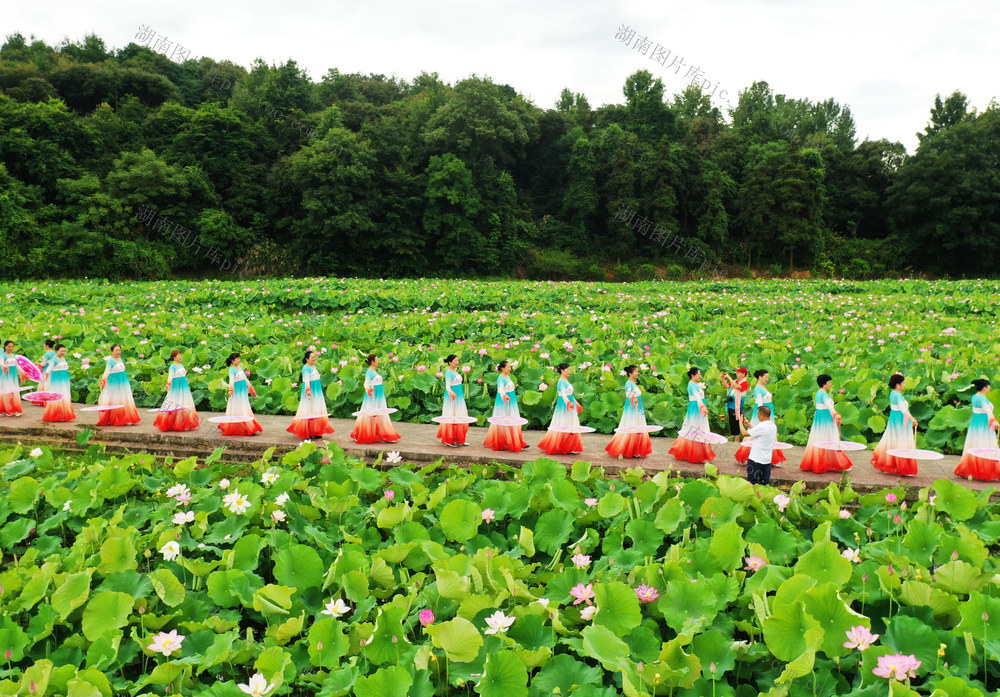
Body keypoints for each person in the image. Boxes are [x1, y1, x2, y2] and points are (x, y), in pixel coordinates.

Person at [799, 373, 852, 473]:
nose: (831, 384)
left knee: (820, 438)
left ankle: (818, 463)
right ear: (824, 383)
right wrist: (836, 414)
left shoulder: (818, 393)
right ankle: (839, 464)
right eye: (829, 382)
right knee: (831, 438)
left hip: (820, 417)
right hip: (826, 418)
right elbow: (829, 406)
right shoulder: (823, 394)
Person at [734, 369, 786, 468]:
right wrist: (762, 415)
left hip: (767, 413)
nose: (767, 379)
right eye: (766, 377)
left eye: (768, 377)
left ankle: (772, 459)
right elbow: (759, 403)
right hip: (762, 414)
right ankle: (744, 457)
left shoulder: (763, 387)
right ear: (760, 377)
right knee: (753, 434)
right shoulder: (758, 389)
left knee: (769, 434)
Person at [871, 373, 919, 476]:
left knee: (892, 440)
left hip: (894, 418)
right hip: (899, 420)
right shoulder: (897, 395)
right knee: (901, 442)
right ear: (898, 385)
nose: (904, 385)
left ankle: (888, 464)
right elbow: (903, 409)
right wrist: (912, 418)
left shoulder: (893, 393)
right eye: (903, 383)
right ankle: (902, 467)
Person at [668, 367, 717, 464]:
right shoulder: (691, 386)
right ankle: (696, 455)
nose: (700, 376)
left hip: (698, 408)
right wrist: (702, 407)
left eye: (700, 374)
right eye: (698, 374)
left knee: (696, 429)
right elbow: (698, 398)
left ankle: (696, 453)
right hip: (696, 409)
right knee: (696, 429)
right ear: (692, 375)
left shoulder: (694, 384)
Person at [954, 379, 1000, 480]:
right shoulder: (981, 399)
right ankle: (983, 471)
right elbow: (987, 411)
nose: (990, 388)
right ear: (984, 387)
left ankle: (972, 470)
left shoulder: (975, 397)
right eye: (988, 386)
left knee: (975, 445)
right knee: (985, 445)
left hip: (976, 423)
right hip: (983, 424)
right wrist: (993, 420)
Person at [350, 353, 401, 444]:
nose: (378, 361)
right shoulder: (369, 372)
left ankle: (383, 434)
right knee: (370, 413)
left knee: (381, 413)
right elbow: (366, 383)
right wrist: (369, 388)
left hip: (380, 395)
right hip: (373, 395)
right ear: (373, 362)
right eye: (377, 360)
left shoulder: (375, 371)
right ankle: (365, 434)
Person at [605, 364, 653, 458]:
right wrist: (634, 398)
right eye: (636, 372)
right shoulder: (628, 383)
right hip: (632, 408)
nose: (637, 373)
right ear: (630, 373)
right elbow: (628, 395)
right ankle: (629, 449)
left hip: (637, 407)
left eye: (637, 371)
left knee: (638, 426)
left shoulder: (633, 383)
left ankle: (636, 449)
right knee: (632, 425)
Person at [537, 363, 584, 455]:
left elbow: (570, 394)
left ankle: (570, 446)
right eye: (567, 370)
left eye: (569, 370)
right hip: (564, 405)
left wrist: (576, 403)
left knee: (571, 424)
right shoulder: (561, 382)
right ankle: (562, 446)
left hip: (570, 404)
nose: (569, 372)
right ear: (562, 371)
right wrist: (568, 403)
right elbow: (563, 395)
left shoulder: (566, 381)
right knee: (564, 423)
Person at [287, 350, 335, 440]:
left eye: (314, 357)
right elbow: (306, 380)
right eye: (312, 357)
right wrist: (308, 390)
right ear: (307, 359)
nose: (314, 358)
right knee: (308, 409)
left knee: (316, 409)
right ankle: (307, 431)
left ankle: (316, 431)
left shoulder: (314, 367)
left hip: (317, 391)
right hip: (310, 390)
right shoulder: (306, 368)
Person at [483, 360, 528, 452]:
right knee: (504, 420)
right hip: (504, 401)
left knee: (513, 419)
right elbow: (500, 390)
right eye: (508, 367)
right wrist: (504, 395)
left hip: (511, 400)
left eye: (510, 367)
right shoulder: (501, 378)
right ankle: (504, 442)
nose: (510, 369)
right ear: (503, 369)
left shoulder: (508, 377)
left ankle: (517, 441)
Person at [154, 349, 200, 431]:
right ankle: (174, 423)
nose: (180, 357)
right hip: (176, 386)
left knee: (184, 402)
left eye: (180, 355)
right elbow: (170, 377)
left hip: (184, 385)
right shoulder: (172, 366)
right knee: (175, 402)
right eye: (178, 355)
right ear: (174, 357)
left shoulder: (182, 365)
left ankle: (186, 423)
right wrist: (168, 385)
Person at [96, 344, 142, 426]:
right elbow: (107, 371)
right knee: (115, 399)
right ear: (112, 351)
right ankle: (115, 418)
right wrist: (103, 381)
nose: (118, 352)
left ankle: (126, 418)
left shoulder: (121, 359)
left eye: (119, 350)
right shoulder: (110, 361)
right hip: (114, 382)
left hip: (123, 381)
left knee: (125, 399)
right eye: (116, 350)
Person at [220, 352, 263, 436]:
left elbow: (246, 380)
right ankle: (243, 427)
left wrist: (251, 390)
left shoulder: (241, 369)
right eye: (237, 359)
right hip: (237, 391)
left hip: (243, 390)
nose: (239, 360)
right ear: (233, 360)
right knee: (237, 406)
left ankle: (247, 425)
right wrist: (231, 390)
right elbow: (231, 381)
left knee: (244, 405)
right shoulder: (231, 370)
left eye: (239, 359)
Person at [437, 354, 470, 447]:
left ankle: (460, 439)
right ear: (450, 362)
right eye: (455, 360)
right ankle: (449, 439)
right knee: (451, 416)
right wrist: (452, 393)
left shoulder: (456, 372)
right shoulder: (448, 372)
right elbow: (447, 386)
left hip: (459, 396)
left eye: (457, 360)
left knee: (460, 415)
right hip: (452, 397)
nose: (457, 362)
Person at [739, 406, 777, 485]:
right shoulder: (773, 426)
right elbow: (759, 433)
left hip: (755, 461)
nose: (758, 416)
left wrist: (740, 423)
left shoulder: (761, 426)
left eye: (758, 414)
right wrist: (749, 425)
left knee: (752, 484)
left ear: (762, 416)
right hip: (767, 461)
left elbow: (744, 434)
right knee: (764, 485)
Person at [42, 344, 75, 422]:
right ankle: (56, 415)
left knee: (65, 395)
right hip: (57, 380)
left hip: (65, 379)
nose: (63, 352)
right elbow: (49, 369)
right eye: (61, 351)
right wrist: (45, 375)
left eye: (64, 351)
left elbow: (66, 369)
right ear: (57, 350)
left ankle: (64, 414)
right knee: (57, 395)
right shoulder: (54, 359)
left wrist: (68, 380)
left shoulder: (64, 358)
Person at [721, 367, 749, 443]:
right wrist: (723, 378)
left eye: (738, 372)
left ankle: (738, 441)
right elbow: (726, 386)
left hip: (738, 407)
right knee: (732, 424)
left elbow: (737, 387)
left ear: (743, 374)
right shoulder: (735, 381)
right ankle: (736, 440)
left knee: (737, 424)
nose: (736, 374)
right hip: (731, 405)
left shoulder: (745, 383)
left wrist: (729, 377)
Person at [0, 340, 25, 416]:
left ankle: (16, 409)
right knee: (7, 392)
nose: (11, 348)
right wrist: (4, 366)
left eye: (12, 347)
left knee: (14, 392)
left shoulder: (14, 355)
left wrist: (22, 372)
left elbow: (17, 365)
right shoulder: (3, 355)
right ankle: (8, 410)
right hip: (6, 376)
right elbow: (1, 362)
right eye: (9, 347)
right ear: (5, 347)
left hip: (13, 375)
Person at [31, 339, 56, 406]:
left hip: (46, 371)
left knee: (45, 385)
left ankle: (44, 400)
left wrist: (38, 364)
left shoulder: (46, 354)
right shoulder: (55, 353)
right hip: (53, 370)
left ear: (46, 346)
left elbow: (44, 364)